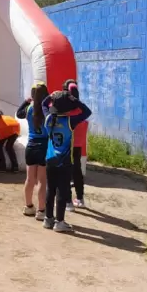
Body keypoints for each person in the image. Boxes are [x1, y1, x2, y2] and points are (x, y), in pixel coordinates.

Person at [41, 90, 92, 233]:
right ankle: (60, 222)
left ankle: (48, 219)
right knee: (62, 191)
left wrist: (51, 96)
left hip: (50, 159)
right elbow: (87, 112)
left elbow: (43, 104)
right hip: (64, 162)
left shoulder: (49, 119)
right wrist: (74, 99)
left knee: (50, 189)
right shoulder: (70, 121)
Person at [16, 82, 50, 220]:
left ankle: (29, 206)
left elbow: (19, 114)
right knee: (42, 180)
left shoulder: (29, 108)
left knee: (30, 179)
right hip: (44, 145)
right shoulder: (48, 109)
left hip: (31, 145)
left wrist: (25, 101)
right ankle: (41, 211)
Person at [63, 79, 89, 211]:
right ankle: (80, 199)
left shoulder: (66, 112)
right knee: (77, 172)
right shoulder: (81, 110)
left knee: (66, 173)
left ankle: (68, 202)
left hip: (67, 146)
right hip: (78, 147)